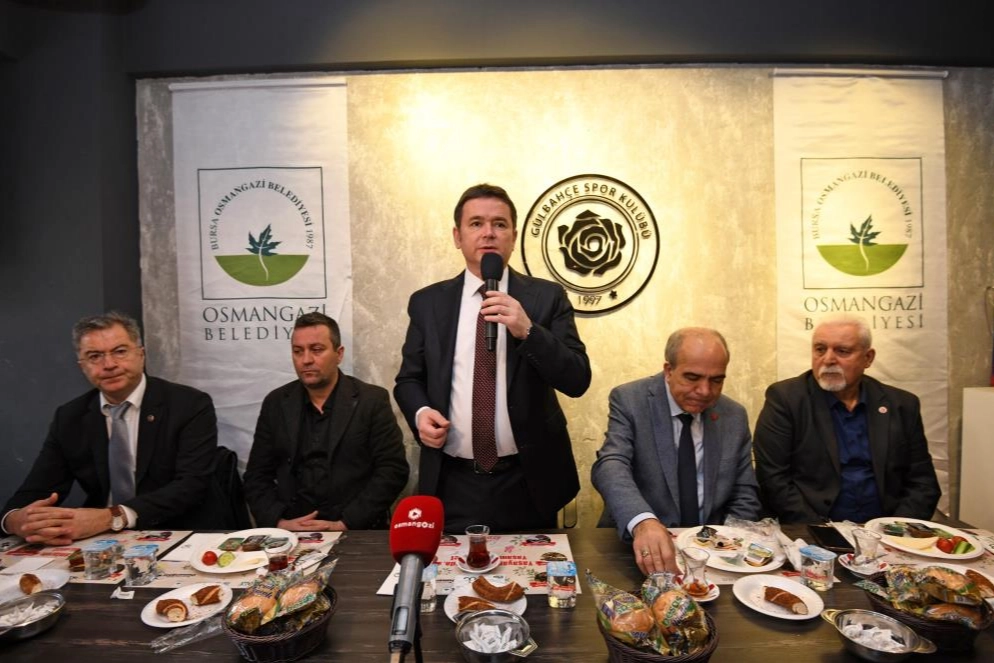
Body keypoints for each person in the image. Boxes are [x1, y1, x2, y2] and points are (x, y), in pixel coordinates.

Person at [394, 183, 591, 532]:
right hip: (452, 481)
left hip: (529, 482)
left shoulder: (547, 297)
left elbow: (577, 379)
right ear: (457, 236)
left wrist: (528, 330)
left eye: (499, 224)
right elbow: (409, 379)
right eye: (476, 223)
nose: (488, 233)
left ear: (513, 236)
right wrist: (421, 413)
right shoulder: (428, 303)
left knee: (534, 569)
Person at [2, 312, 217, 544]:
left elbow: (191, 486)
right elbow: (37, 490)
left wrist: (113, 517)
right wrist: (15, 520)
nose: (109, 365)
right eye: (94, 356)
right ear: (82, 366)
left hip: (179, 531)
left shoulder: (189, 405)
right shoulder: (70, 417)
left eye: (120, 351)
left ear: (141, 354)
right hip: (101, 541)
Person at [592, 327, 760, 575]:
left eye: (716, 380)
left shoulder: (733, 415)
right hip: (636, 550)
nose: (704, 391)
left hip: (711, 555)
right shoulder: (630, 400)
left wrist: (728, 547)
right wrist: (643, 522)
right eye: (692, 377)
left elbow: (744, 493)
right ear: (668, 370)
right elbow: (611, 464)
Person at [753, 314, 941, 524]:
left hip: (886, 529)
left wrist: (895, 530)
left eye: (842, 351)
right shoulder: (786, 399)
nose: (828, 359)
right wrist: (821, 532)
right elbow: (773, 479)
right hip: (812, 528)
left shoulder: (902, 405)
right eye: (820, 349)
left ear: (868, 358)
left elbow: (923, 484)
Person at [243, 313, 409, 531]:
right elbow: (256, 475)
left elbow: (393, 470)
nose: (306, 360)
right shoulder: (276, 403)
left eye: (317, 349)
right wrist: (280, 522)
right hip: (292, 529)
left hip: (354, 529)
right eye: (298, 351)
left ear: (339, 354)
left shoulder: (371, 400)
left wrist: (345, 523)